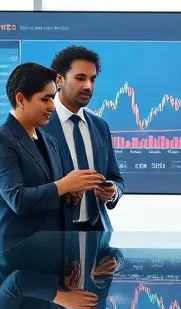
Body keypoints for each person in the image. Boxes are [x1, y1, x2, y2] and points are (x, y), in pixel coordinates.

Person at [0, 62, 104, 253]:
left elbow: (50, 194)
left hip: (51, 255)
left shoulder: (49, 140)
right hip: (16, 258)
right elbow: (18, 199)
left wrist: (71, 195)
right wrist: (65, 184)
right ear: (21, 99)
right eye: (45, 99)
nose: (52, 106)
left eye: (53, 98)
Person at [43, 45, 125, 232]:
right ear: (59, 80)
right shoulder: (40, 125)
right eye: (80, 78)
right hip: (55, 235)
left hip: (98, 235)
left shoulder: (100, 126)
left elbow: (116, 178)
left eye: (92, 79)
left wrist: (112, 191)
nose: (88, 86)